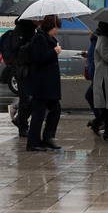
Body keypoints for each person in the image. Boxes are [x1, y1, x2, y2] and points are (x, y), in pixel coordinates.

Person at [26, 15, 62, 152]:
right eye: (55, 27)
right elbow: (38, 58)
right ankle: (33, 142)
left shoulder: (50, 38)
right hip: (41, 84)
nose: (56, 30)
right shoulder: (39, 38)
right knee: (38, 114)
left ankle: (48, 138)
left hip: (49, 84)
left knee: (56, 110)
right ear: (50, 27)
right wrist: (54, 52)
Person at [11, 18, 38, 138]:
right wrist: (31, 44)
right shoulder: (21, 29)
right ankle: (23, 127)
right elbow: (18, 47)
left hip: (29, 68)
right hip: (22, 69)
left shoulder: (32, 29)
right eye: (38, 19)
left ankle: (20, 120)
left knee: (34, 97)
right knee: (25, 99)